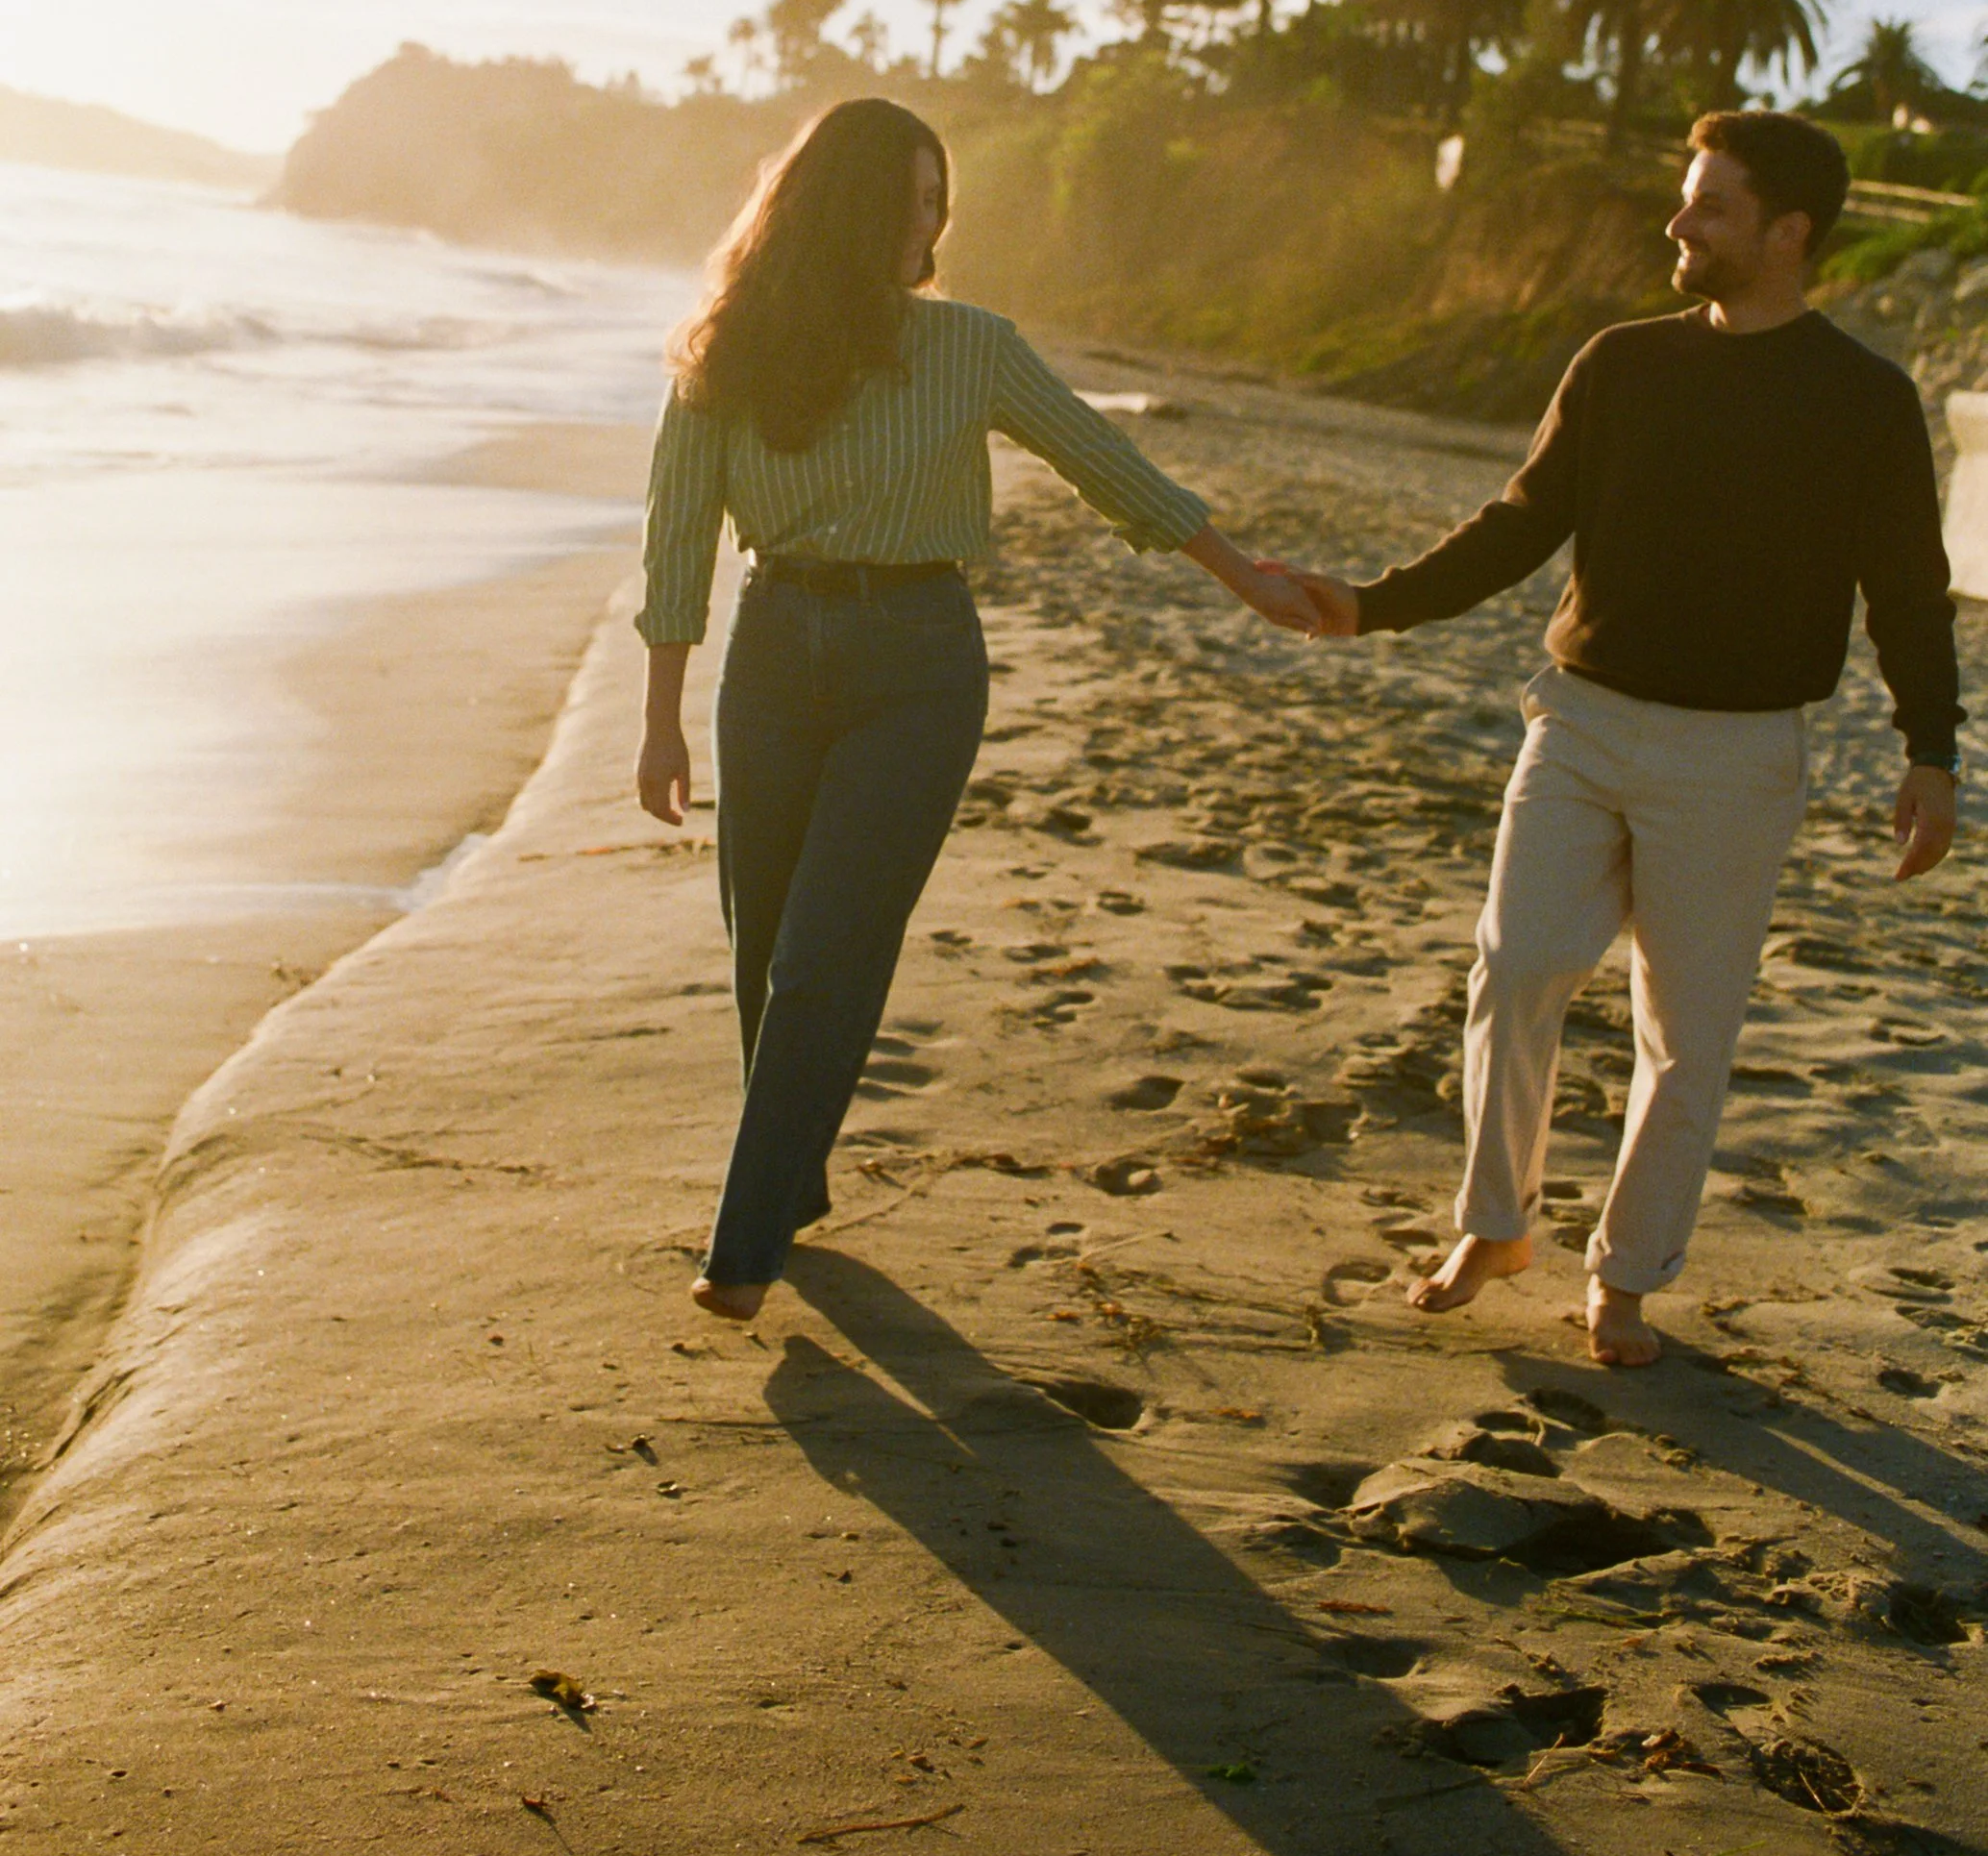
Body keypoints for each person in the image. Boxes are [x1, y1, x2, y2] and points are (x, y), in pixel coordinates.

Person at [1282, 111, 1961, 1367]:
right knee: (1519, 963)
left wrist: (1933, 751)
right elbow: (1520, 521)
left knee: (1685, 1032)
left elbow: (1909, 593)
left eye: (1708, 207)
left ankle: (1628, 1279)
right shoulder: (1620, 362)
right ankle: (1496, 1225)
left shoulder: (1866, 401)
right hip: (1581, 720)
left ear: (1788, 233)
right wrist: (1373, 606)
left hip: (1740, 753)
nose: (1679, 225)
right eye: (1684, 200)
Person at [636, 96, 1326, 1323]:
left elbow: (1108, 466)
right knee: (762, 949)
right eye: (911, 204)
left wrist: (1248, 578)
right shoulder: (729, 346)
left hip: (918, 665)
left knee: (821, 956)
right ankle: (793, 1188)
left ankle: (742, 1249)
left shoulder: (971, 348)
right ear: (843, 212)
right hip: (774, 653)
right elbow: (679, 534)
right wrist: (660, 714)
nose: (931, 228)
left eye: (940, 204)